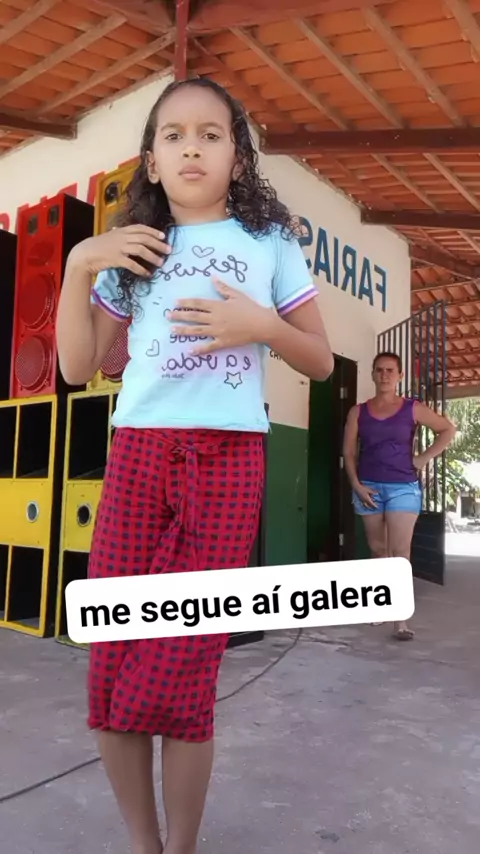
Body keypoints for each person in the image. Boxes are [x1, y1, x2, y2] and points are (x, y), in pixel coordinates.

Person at [56, 77, 334, 854]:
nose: (191, 148)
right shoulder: (134, 250)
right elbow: (77, 367)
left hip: (229, 460)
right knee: (111, 664)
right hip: (138, 458)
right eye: (173, 135)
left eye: (212, 134)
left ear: (238, 159)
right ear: (151, 160)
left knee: (181, 668)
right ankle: (147, 846)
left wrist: (262, 325)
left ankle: (181, 848)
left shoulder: (269, 244)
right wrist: (79, 265)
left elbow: (319, 359)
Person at [343, 351, 456, 641]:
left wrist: (422, 459)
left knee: (399, 552)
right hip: (368, 487)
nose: (384, 375)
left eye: (390, 370)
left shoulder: (412, 408)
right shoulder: (358, 412)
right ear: (372, 374)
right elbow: (349, 452)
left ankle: (401, 619)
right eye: (379, 370)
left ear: (400, 376)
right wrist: (356, 484)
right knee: (378, 550)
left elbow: (447, 429)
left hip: (403, 487)